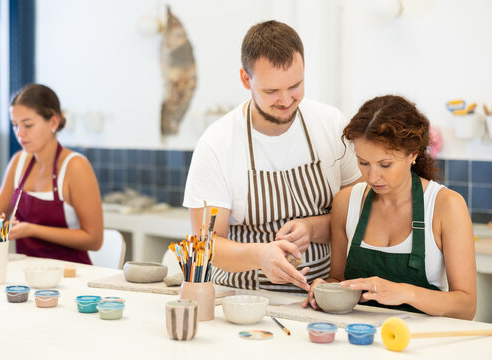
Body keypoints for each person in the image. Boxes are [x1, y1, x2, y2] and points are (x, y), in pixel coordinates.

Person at [183, 21, 361, 293]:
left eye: (295, 86)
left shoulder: (331, 126)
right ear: (246, 79)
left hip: (322, 294)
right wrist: (260, 255)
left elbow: (359, 212)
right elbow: (207, 244)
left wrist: (311, 228)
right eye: (271, 91)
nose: (286, 100)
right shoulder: (217, 143)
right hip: (243, 298)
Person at [304, 95, 477, 320]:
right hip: (359, 340)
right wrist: (324, 289)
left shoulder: (446, 206)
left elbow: (466, 307)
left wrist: (403, 292)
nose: (372, 176)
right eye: (363, 163)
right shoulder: (346, 202)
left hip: (419, 347)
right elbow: (338, 279)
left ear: (413, 154)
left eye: (385, 164)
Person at [0, 84, 103, 264]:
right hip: (26, 273)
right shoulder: (19, 162)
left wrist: (31, 230)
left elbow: (94, 240)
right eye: (15, 125)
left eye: (28, 125)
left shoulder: (76, 166)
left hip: (73, 274)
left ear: (54, 122)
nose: (20, 134)